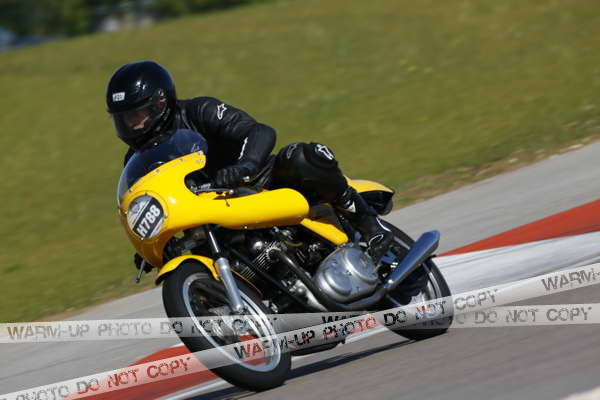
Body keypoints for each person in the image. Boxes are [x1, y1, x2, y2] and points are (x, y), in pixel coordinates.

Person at [106, 61, 392, 269]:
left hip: (259, 183)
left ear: (160, 104)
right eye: (124, 119)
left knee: (302, 156)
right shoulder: (135, 159)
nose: (133, 126)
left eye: (137, 116)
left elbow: (258, 131)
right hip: (212, 213)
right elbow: (148, 202)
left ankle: (370, 227)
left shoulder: (199, 111)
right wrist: (152, 244)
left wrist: (245, 166)